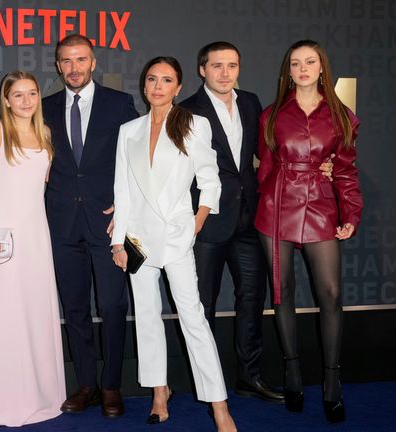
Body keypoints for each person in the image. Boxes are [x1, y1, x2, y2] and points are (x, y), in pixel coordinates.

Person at [111, 57, 236, 432]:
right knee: (147, 319)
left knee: (193, 318)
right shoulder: (128, 130)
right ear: (144, 84)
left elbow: (210, 181)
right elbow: (124, 189)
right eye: (152, 78)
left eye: (167, 80)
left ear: (178, 87)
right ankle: (158, 393)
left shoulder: (194, 123)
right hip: (137, 239)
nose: (158, 86)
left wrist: (194, 225)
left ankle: (219, 406)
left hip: (177, 236)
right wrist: (119, 242)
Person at [255, 39, 362, 423]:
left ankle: (333, 380)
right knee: (282, 293)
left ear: (322, 68)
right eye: (296, 63)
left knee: (331, 294)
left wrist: (350, 212)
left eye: (310, 62)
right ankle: (293, 371)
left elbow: (346, 171)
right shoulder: (270, 115)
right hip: (276, 207)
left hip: (319, 205)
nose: (303, 69)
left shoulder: (341, 116)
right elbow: (265, 169)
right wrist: (264, 204)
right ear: (288, 70)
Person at [178, 41, 285, 403]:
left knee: (252, 299)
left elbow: (267, 154)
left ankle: (249, 377)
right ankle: (206, 383)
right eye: (217, 66)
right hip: (206, 221)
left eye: (232, 66)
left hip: (248, 219)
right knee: (202, 304)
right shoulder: (187, 110)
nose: (225, 73)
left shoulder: (252, 103)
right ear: (202, 70)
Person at [43, 34, 139, 417]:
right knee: (75, 307)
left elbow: (137, 161)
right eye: (66, 61)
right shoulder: (44, 107)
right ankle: (86, 384)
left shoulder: (119, 104)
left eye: (81, 59)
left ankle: (112, 384)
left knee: (114, 304)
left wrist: (126, 203)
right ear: (57, 65)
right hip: (62, 224)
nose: (74, 67)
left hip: (108, 223)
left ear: (93, 62)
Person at [0, 71, 66, 427]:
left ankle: (41, 394)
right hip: (4, 234)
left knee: (36, 311)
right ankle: (1, 398)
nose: (26, 101)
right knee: (5, 313)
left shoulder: (46, 134)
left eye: (32, 93)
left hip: (37, 235)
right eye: (18, 95)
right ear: (6, 100)